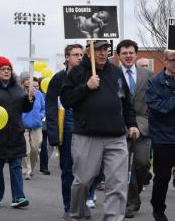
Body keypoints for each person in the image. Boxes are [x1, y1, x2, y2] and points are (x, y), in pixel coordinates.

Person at [60, 40, 139, 221]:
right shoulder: (78, 72)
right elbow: (66, 100)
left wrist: (132, 123)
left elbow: (127, 103)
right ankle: (78, 215)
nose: (103, 53)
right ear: (89, 51)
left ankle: (113, 218)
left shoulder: (116, 72)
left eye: (106, 50)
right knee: (83, 182)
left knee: (117, 184)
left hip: (116, 137)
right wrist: (86, 87)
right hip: (87, 136)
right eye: (98, 50)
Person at [0, 56, 34, 209]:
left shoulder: (17, 87)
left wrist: (30, 100)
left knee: (16, 166)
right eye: (3, 69)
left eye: (8, 69)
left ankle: (18, 197)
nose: (6, 71)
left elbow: (25, 108)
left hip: (15, 133)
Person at [45, 44, 84, 219]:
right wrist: (53, 134)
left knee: (87, 170)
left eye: (82, 54)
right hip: (66, 128)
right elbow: (51, 107)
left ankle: (84, 202)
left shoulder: (89, 76)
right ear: (67, 57)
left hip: (85, 127)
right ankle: (69, 206)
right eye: (76, 54)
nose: (80, 57)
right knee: (67, 170)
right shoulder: (58, 79)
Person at [117, 39, 153, 218]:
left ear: (136, 54)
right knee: (124, 167)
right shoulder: (113, 74)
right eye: (124, 53)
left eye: (131, 52)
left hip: (143, 127)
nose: (128, 56)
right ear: (119, 56)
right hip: (119, 127)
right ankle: (131, 202)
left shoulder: (148, 75)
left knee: (141, 164)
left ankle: (135, 193)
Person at [145, 50, 175, 221]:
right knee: (162, 178)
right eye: (173, 60)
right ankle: (158, 209)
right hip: (164, 138)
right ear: (165, 60)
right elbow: (159, 108)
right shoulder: (154, 82)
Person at [20, 74, 45, 180]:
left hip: (36, 125)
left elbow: (44, 108)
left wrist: (40, 116)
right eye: (29, 86)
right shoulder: (20, 94)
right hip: (23, 125)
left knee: (35, 148)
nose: (32, 88)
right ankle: (27, 171)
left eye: (35, 86)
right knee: (26, 150)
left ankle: (32, 168)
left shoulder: (39, 95)